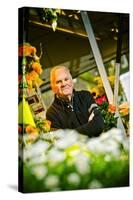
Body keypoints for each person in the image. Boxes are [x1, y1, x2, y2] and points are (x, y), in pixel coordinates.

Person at [46, 66, 104, 137]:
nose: (64, 84)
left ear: (71, 81)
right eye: (58, 82)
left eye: (66, 79)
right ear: (53, 87)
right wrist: (90, 126)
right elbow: (61, 141)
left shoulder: (86, 96)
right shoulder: (52, 113)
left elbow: (99, 125)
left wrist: (69, 134)